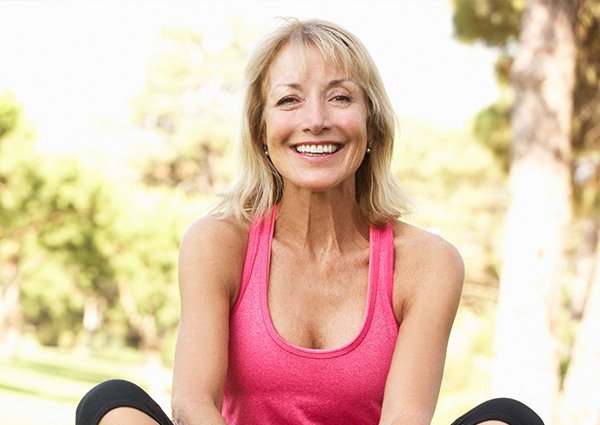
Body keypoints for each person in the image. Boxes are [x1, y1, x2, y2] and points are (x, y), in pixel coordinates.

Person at [76, 18, 544, 425]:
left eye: (340, 97)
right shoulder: (217, 243)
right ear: (262, 131)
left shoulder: (427, 263)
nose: (316, 120)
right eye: (289, 101)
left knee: (509, 418)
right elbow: (193, 405)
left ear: (371, 125)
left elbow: (404, 418)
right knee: (111, 405)